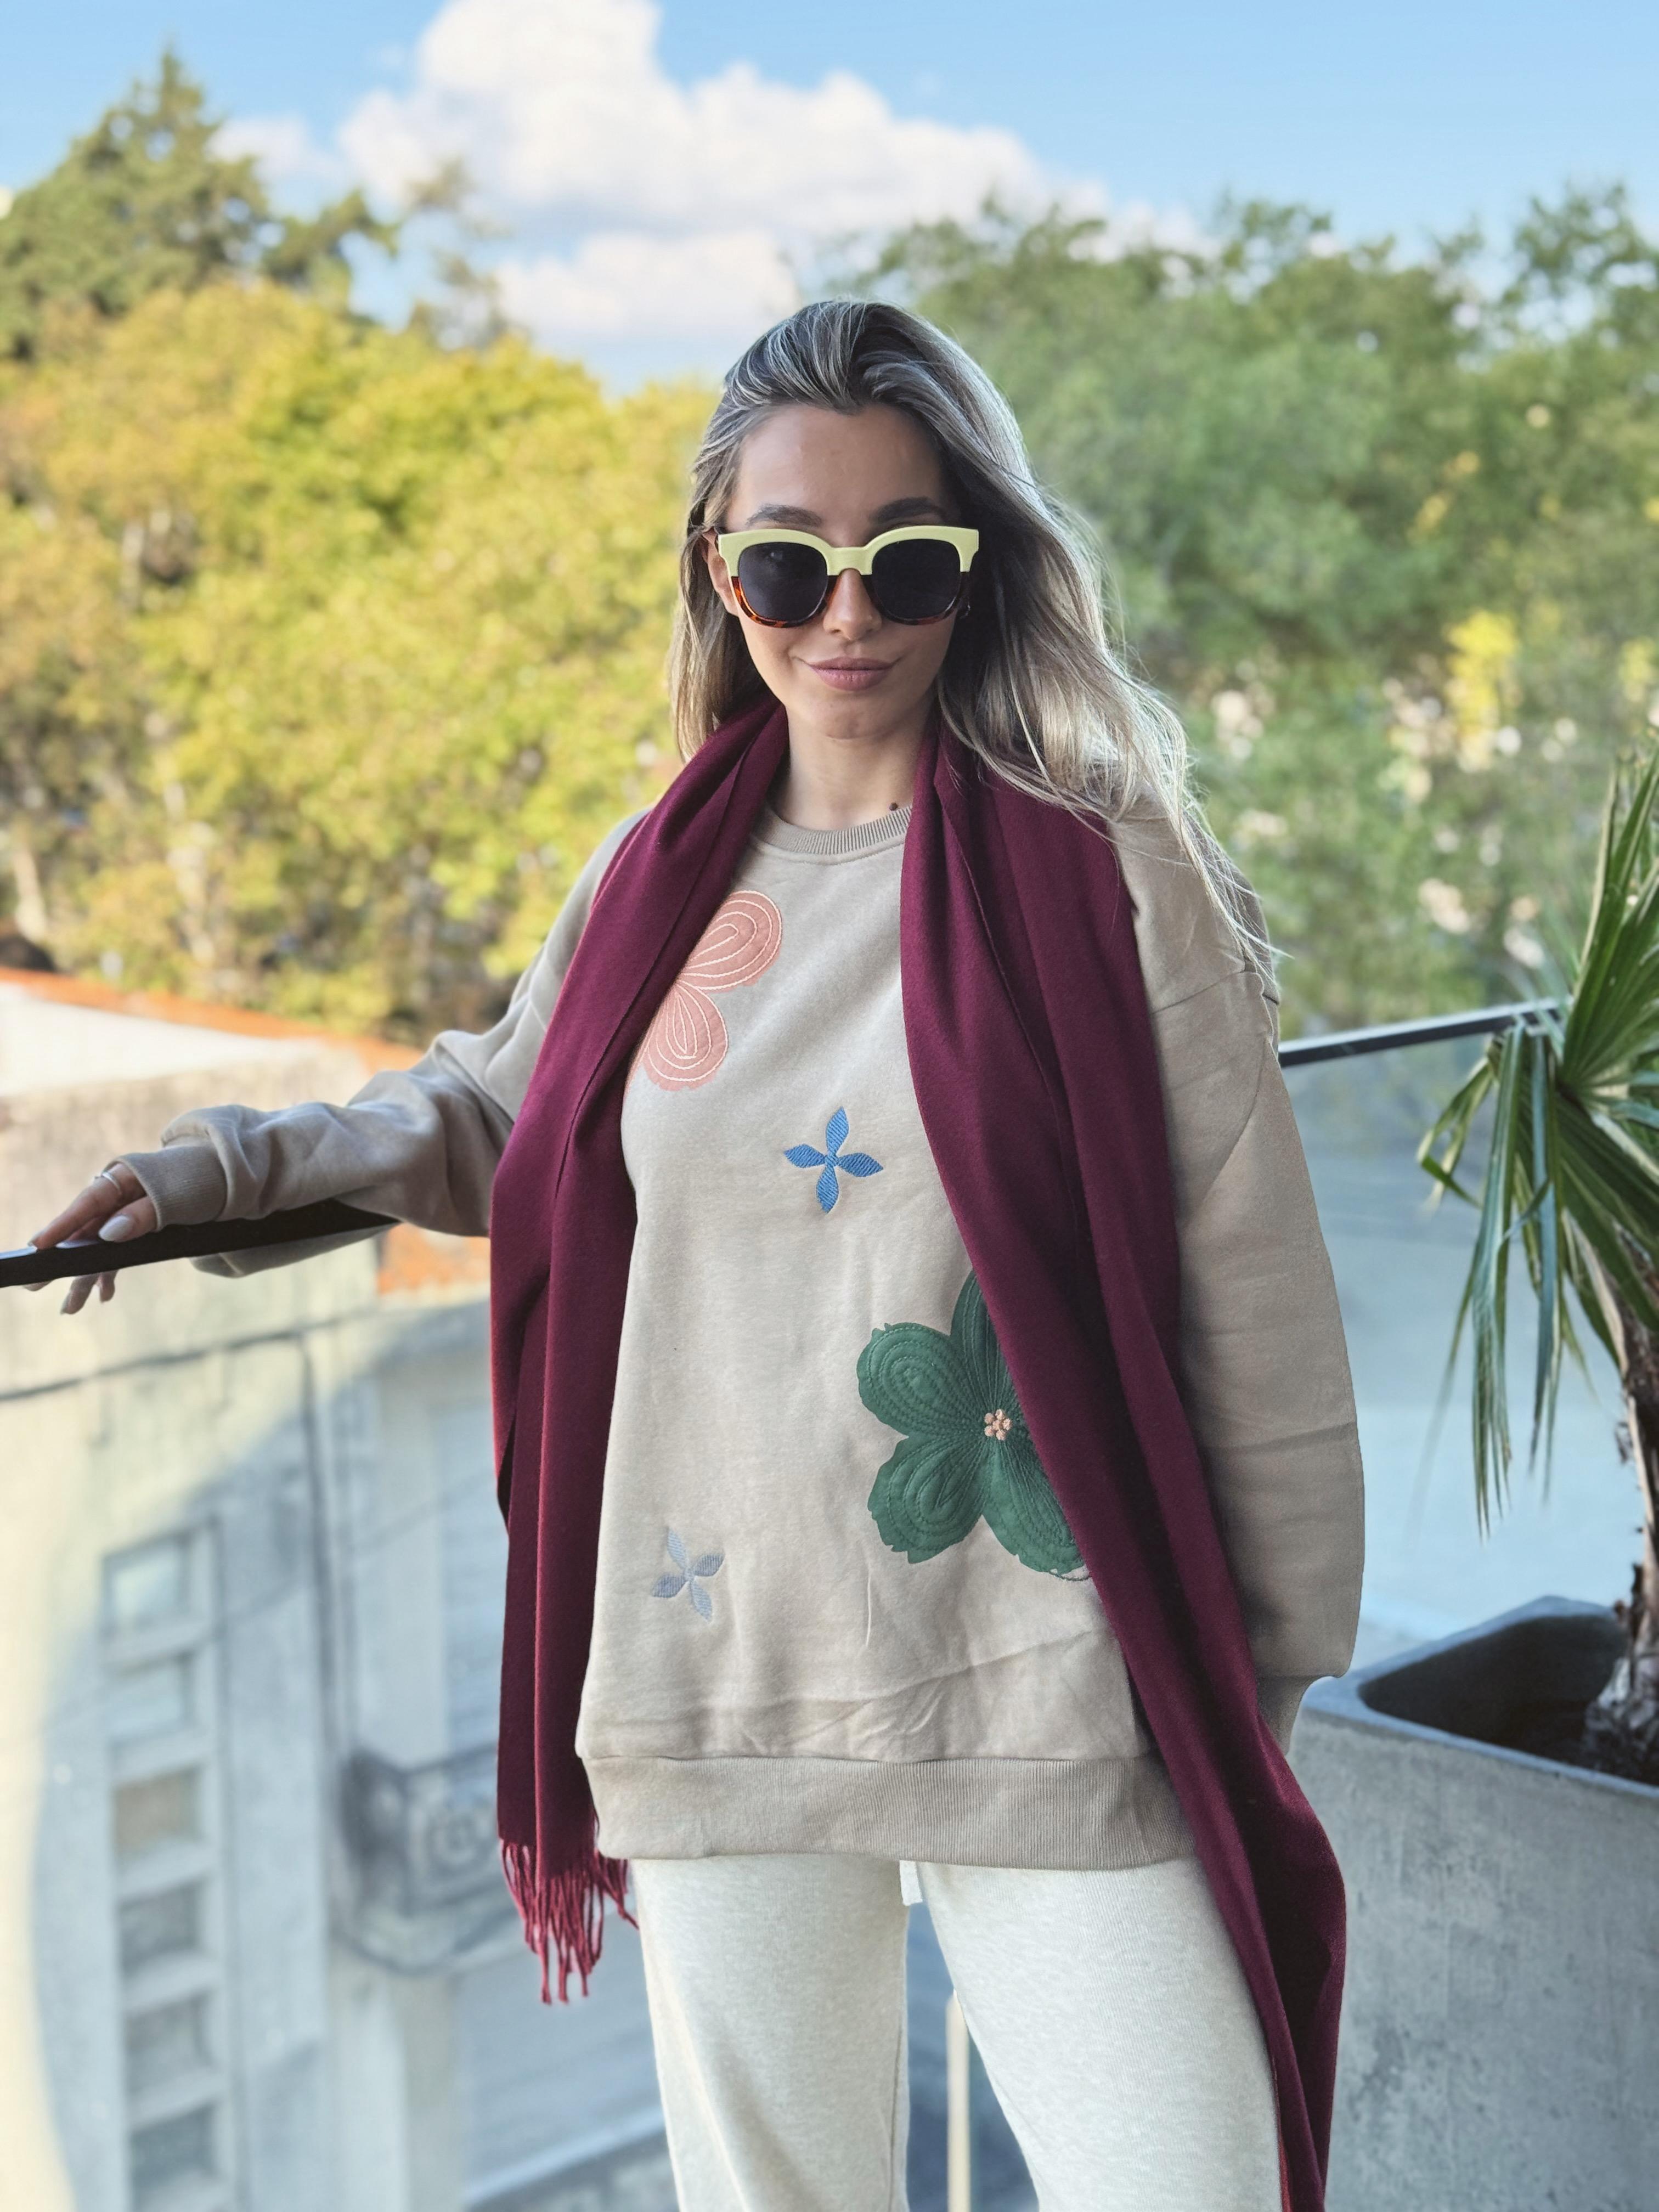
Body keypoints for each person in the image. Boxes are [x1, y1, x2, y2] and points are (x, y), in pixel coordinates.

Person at [32, 302, 1363, 2212]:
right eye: (788, 563)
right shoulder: (659, 875)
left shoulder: (1110, 875)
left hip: (1053, 1680)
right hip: (712, 1664)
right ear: (719, 574)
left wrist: (1263, 1676)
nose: (847, 613)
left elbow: (1258, 1299)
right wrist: (216, 1176)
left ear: (978, 569)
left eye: (907, 558)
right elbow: (498, 1112)